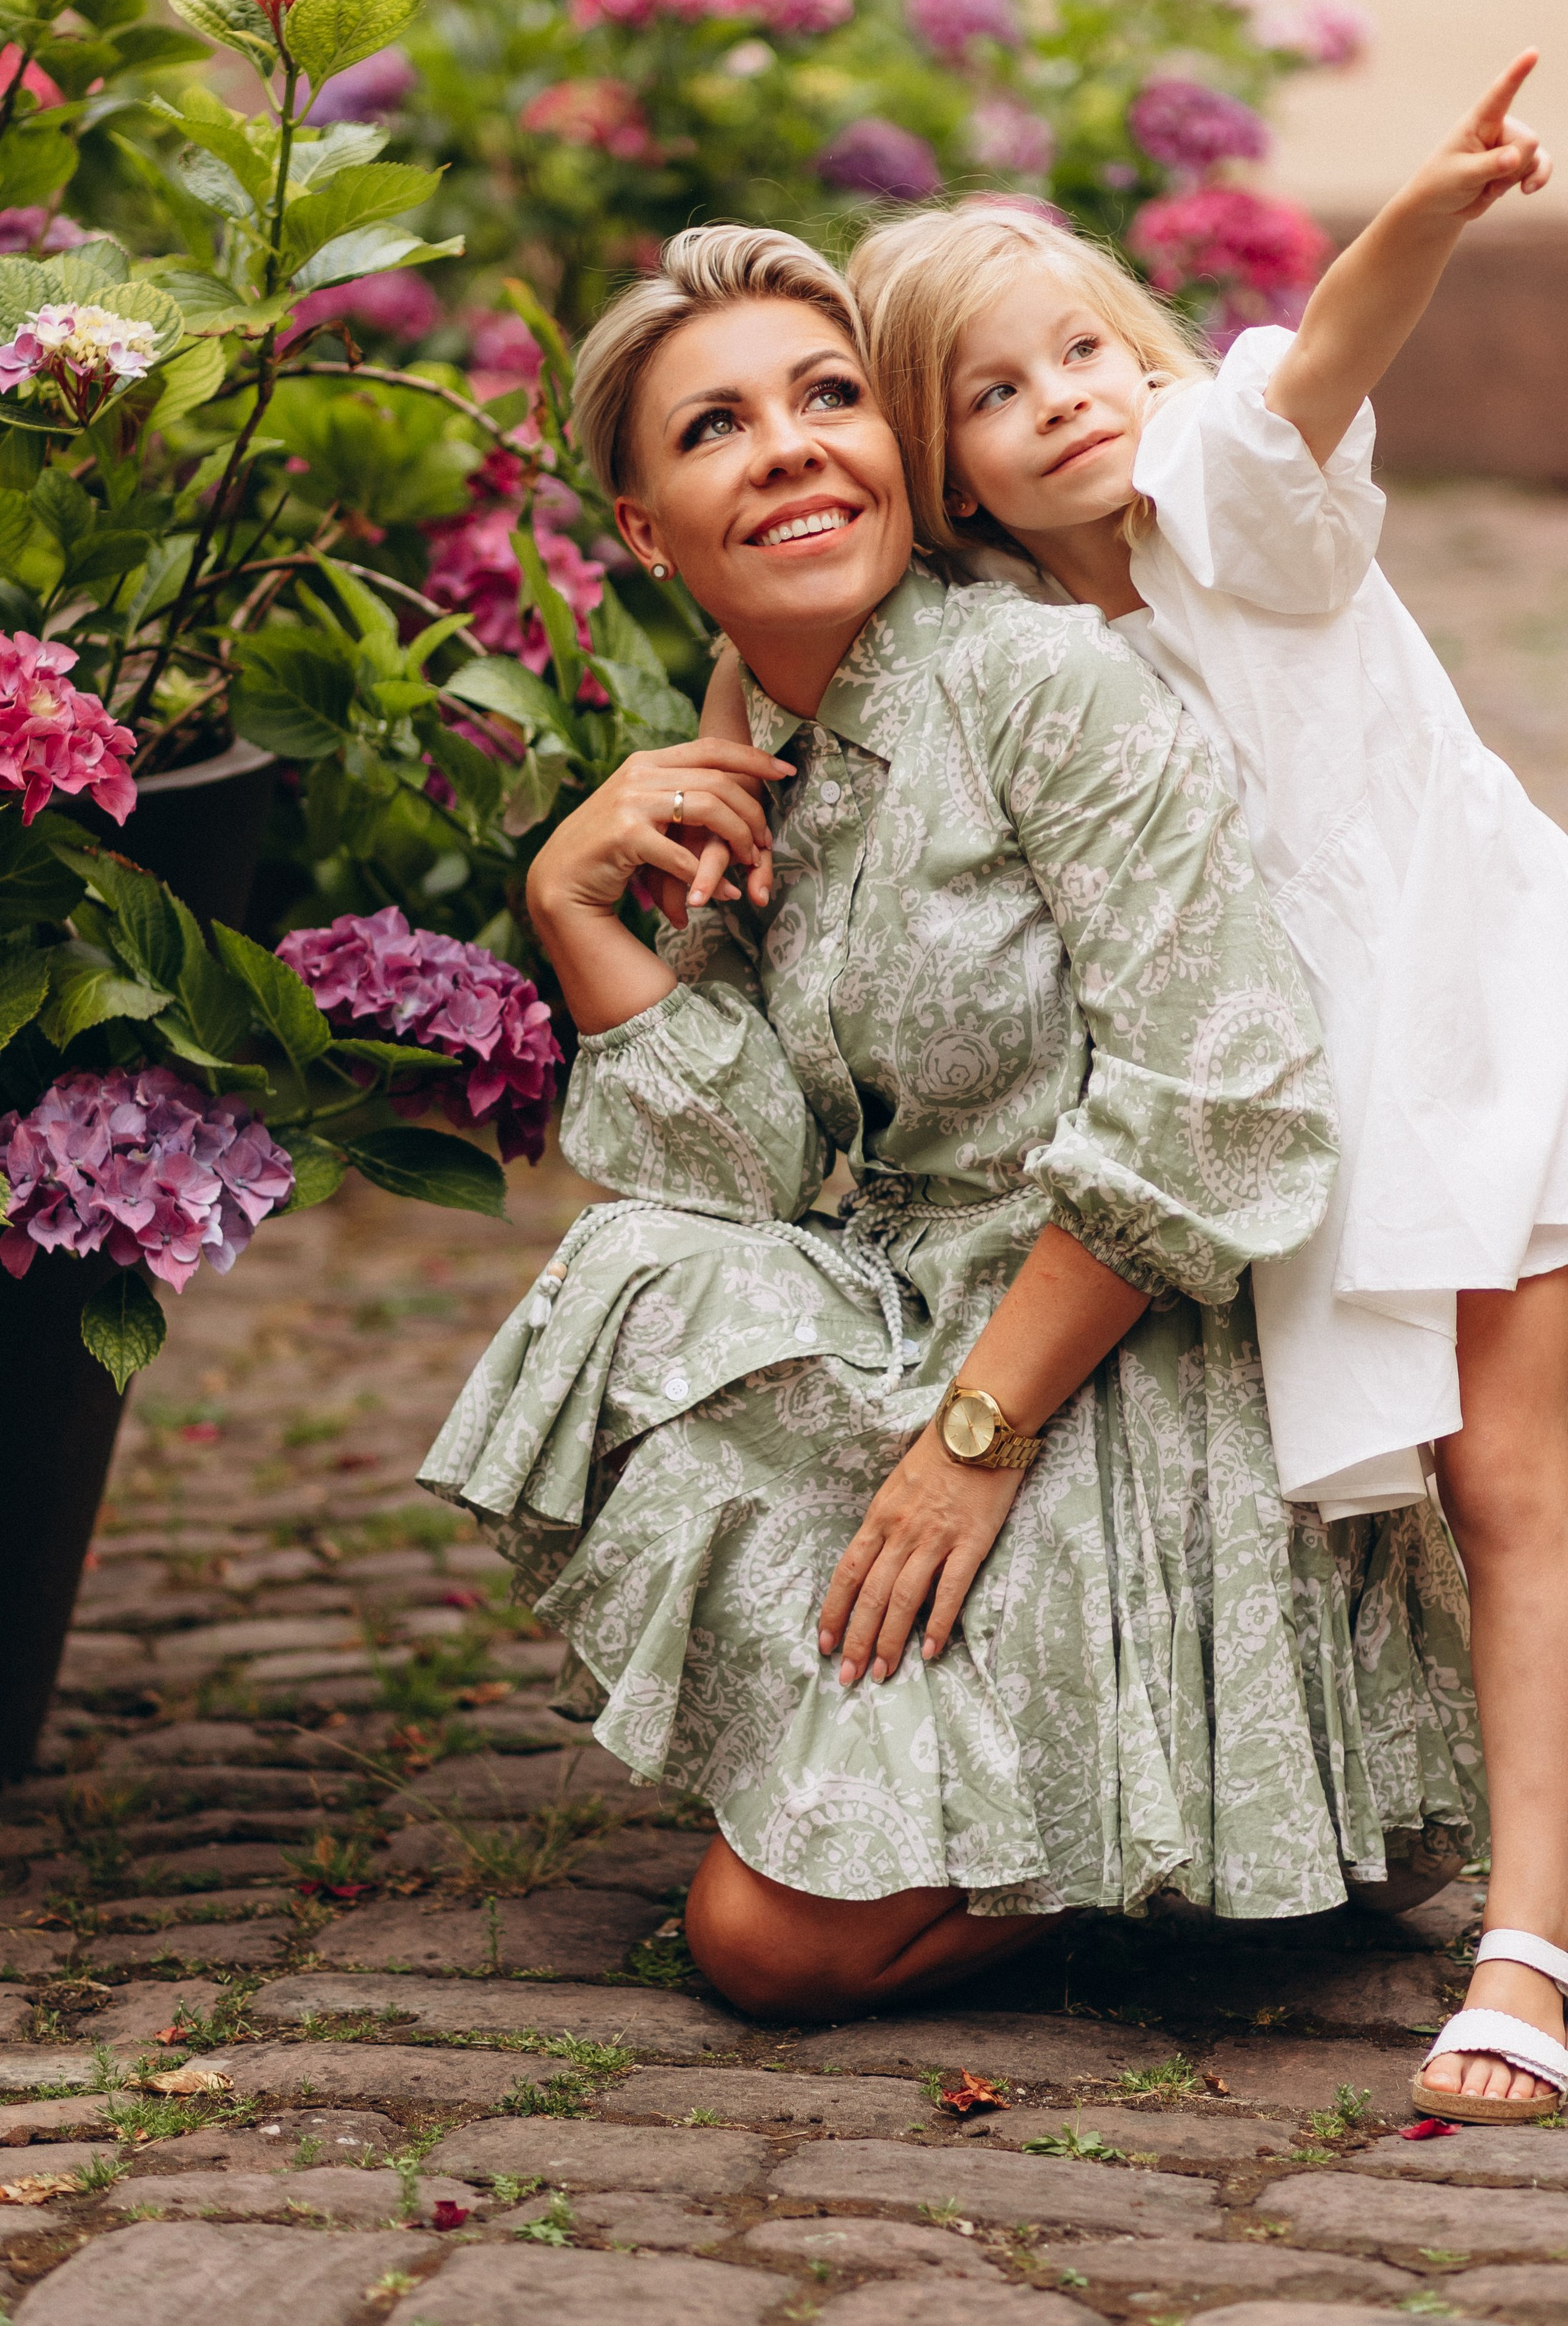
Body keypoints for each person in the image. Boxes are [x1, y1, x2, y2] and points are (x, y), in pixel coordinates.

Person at [820, 60, 1568, 2118]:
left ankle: (1525, 1955)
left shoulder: (1218, 479)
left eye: (1084, 342)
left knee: (1495, 1476)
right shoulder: (1038, 642)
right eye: (1000, 393)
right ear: (953, 476)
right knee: (1529, 1454)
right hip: (1354, 1085)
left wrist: (1426, 214)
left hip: (1471, 1017)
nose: (1069, 395)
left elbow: (1310, 378)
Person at [420, 221, 1486, 2023]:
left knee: (762, 1948)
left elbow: (1220, 1105)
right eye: (714, 428)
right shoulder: (766, 730)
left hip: (1140, 1352)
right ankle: (1007, 1775)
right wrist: (576, 917)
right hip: (925, 1311)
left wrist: (972, 1444)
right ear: (643, 529)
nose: (787, 449)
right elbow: (746, 1173)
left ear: (895, 449)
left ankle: (1249, 1801)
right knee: (643, 1270)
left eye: (827, 396)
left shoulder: (1036, 685)